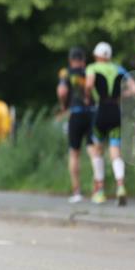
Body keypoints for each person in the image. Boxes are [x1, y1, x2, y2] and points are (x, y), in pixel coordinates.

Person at [85, 42, 130, 206]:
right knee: (115, 151)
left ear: (97, 55)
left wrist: (87, 95)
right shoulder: (119, 69)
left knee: (97, 151)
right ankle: (120, 186)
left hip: (101, 110)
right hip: (116, 111)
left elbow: (89, 84)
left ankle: (100, 190)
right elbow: (132, 88)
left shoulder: (92, 68)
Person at [57, 47, 96, 203]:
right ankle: (97, 190)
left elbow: (62, 92)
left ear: (70, 59)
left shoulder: (65, 73)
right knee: (93, 151)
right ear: (83, 60)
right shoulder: (90, 72)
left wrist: (63, 106)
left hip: (76, 113)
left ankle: (77, 192)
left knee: (74, 153)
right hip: (92, 112)